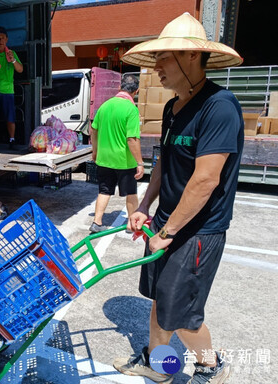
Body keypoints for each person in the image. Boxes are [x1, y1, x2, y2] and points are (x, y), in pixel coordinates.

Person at [112, 12, 244, 384]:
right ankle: (159, 365)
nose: (156, 68)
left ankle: (211, 365)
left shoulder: (219, 106)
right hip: (167, 221)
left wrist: (167, 233)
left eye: (163, 58)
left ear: (191, 56)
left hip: (198, 231)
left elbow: (205, 180)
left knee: (182, 313)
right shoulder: (172, 108)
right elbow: (162, 165)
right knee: (160, 300)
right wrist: (143, 207)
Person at [89, 73, 144, 233]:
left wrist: (95, 152)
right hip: (124, 161)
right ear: (137, 91)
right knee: (131, 193)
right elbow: (132, 139)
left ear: (119, 88)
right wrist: (140, 162)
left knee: (104, 191)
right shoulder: (131, 109)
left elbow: (94, 130)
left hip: (104, 158)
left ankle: (97, 222)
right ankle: (131, 224)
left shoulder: (105, 105)